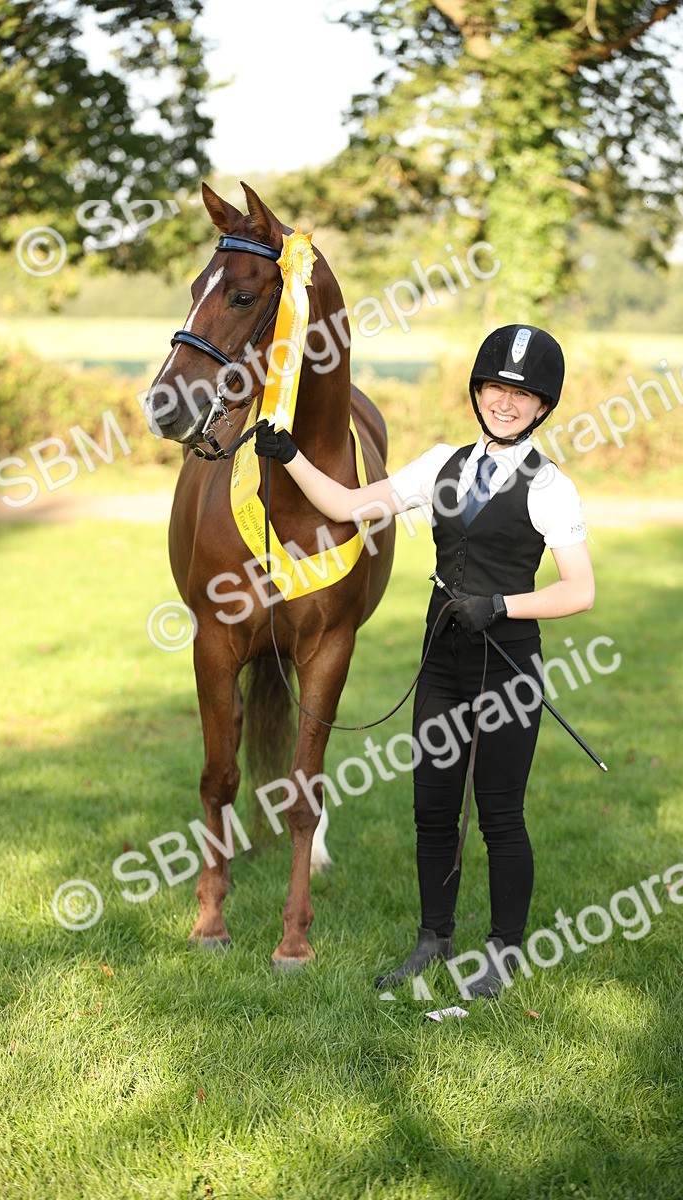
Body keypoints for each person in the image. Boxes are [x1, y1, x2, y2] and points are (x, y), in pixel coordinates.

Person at [255, 324, 594, 998]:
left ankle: (501, 952)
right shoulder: (441, 463)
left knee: (500, 816)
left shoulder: (550, 486)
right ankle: (432, 939)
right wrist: (290, 456)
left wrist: (500, 606)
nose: (506, 401)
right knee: (433, 809)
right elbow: (351, 505)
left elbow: (578, 591)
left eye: (523, 394)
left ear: (543, 406)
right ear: (477, 390)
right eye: (496, 386)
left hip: (509, 671)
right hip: (441, 663)